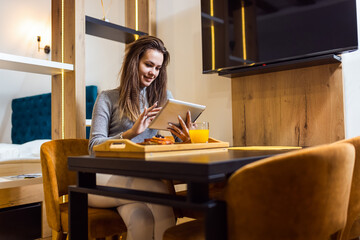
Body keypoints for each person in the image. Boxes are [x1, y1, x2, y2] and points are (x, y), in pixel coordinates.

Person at [88, 35, 189, 240]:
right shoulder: (107, 98)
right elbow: (93, 146)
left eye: (158, 68)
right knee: (160, 191)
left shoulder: (162, 98)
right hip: (100, 180)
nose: (153, 73)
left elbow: (171, 141)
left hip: (137, 179)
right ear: (134, 63)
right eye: (148, 65)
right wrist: (131, 133)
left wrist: (185, 138)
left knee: (140, 220)